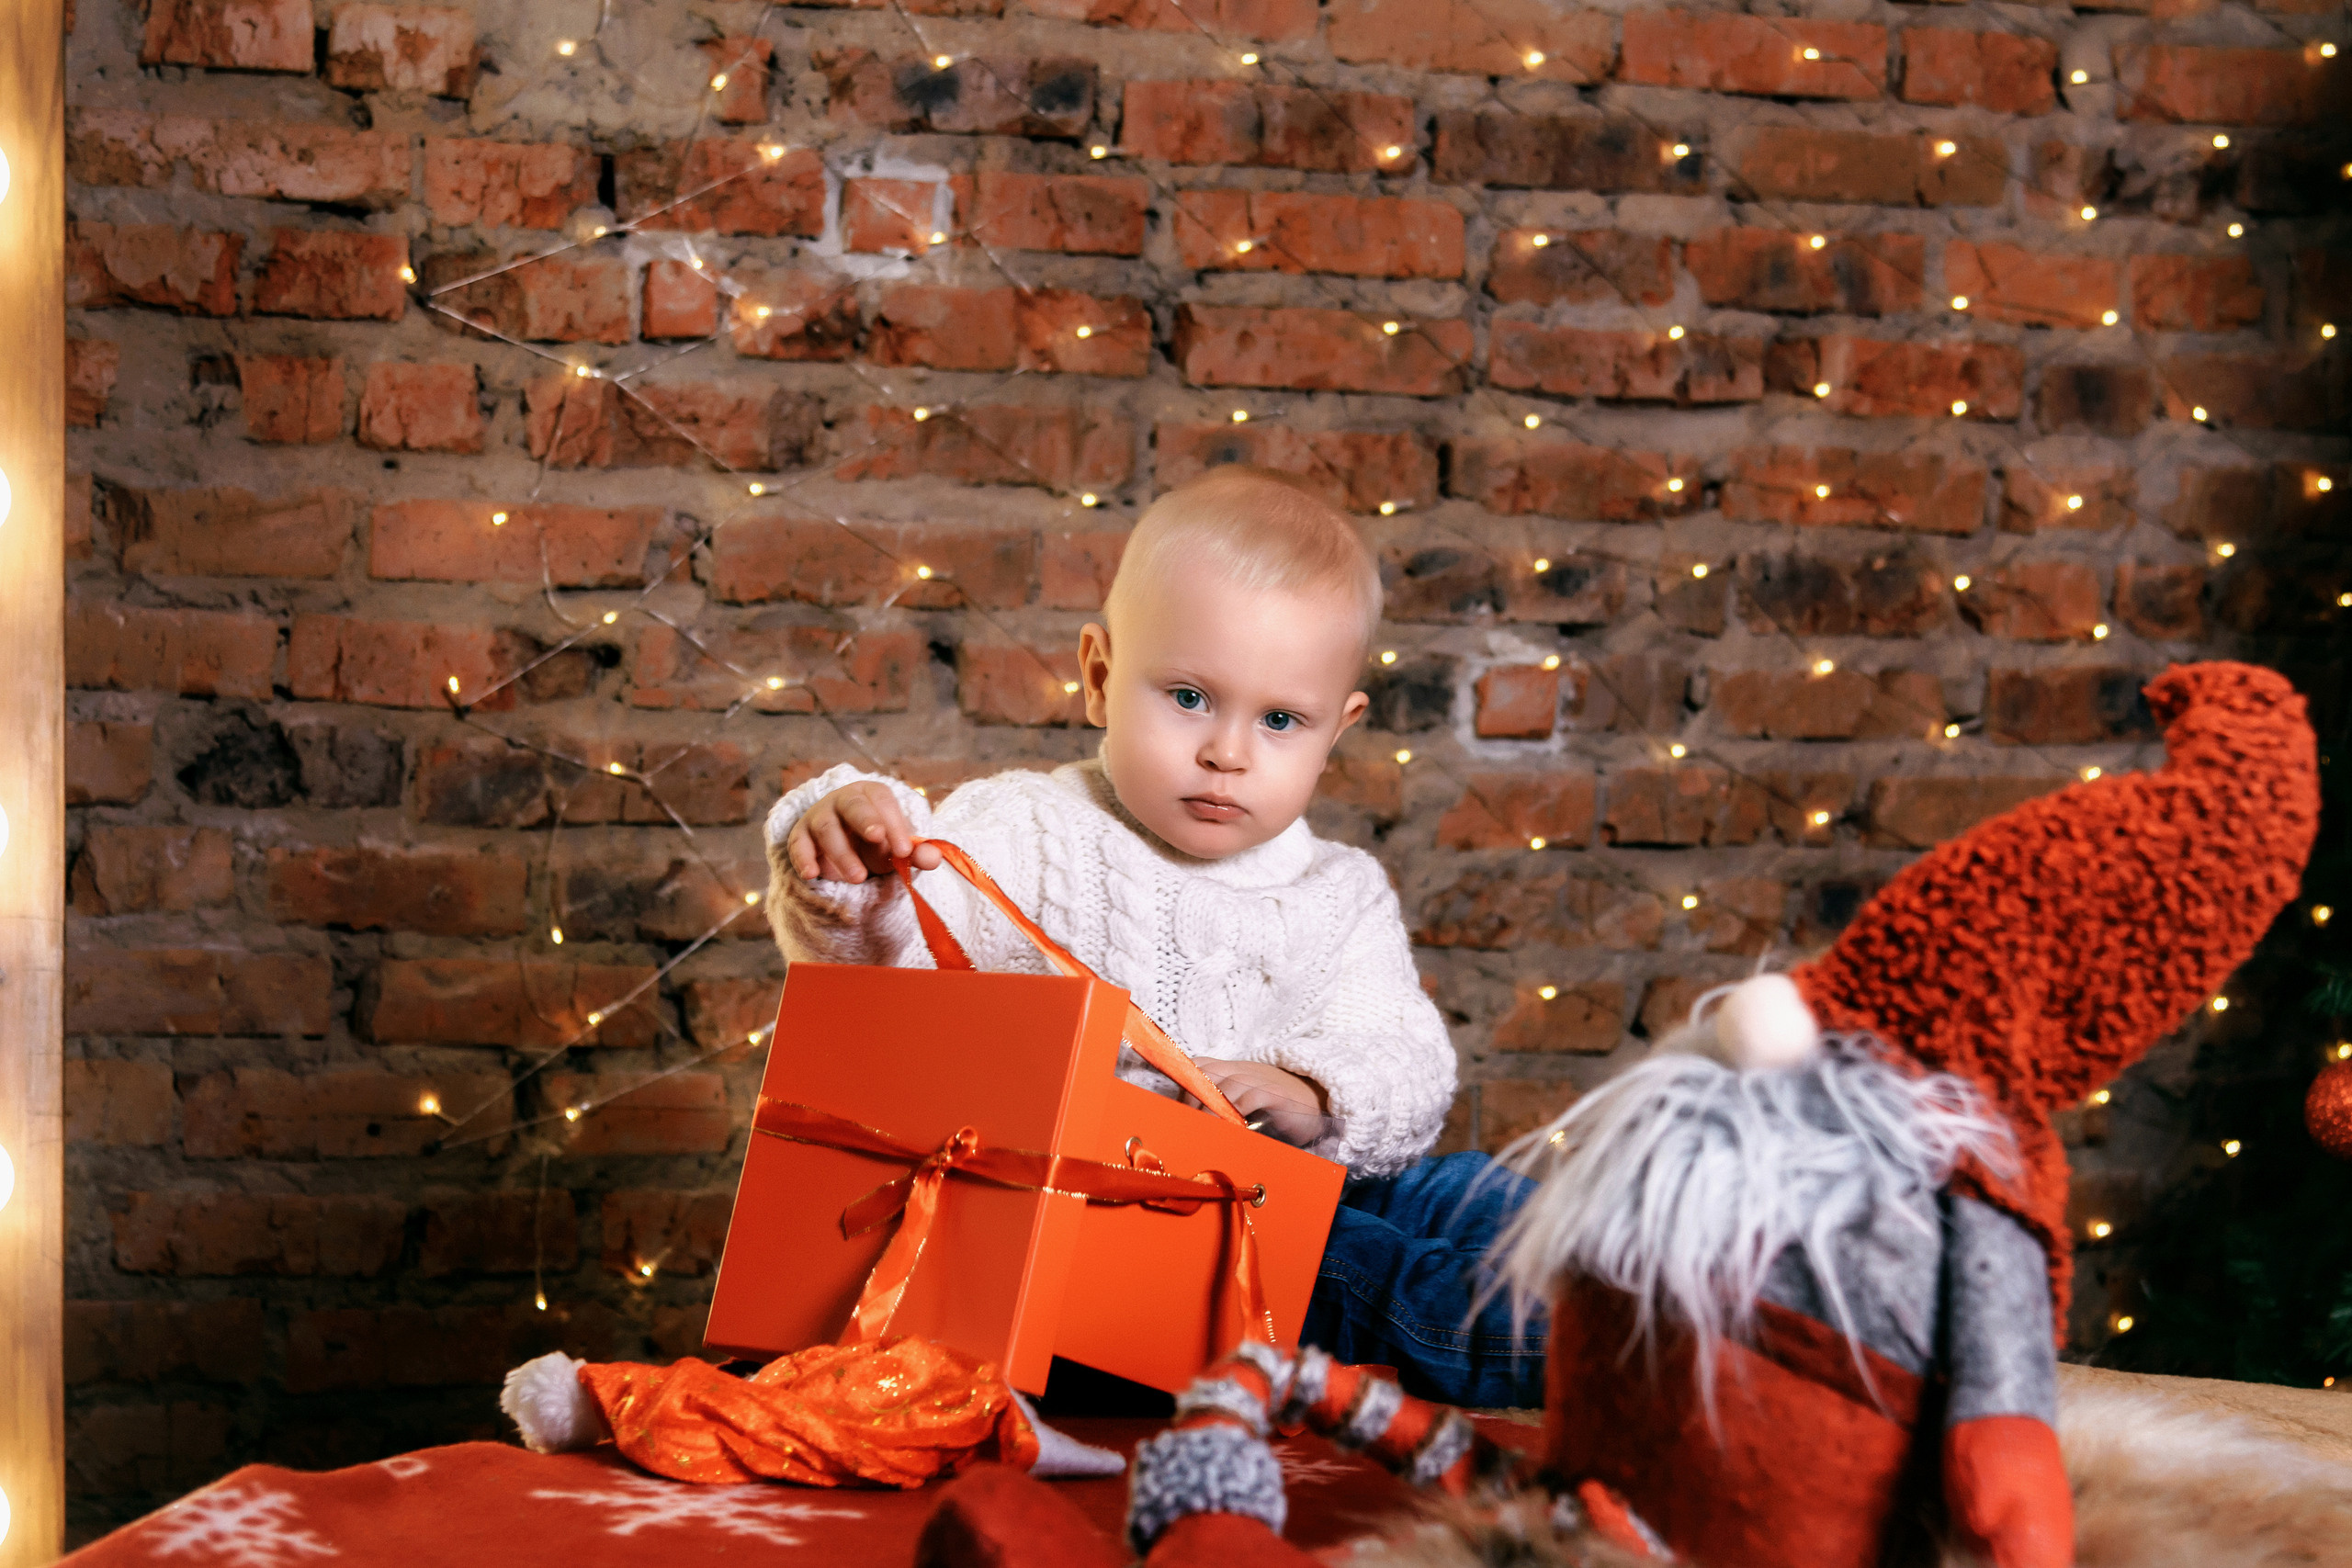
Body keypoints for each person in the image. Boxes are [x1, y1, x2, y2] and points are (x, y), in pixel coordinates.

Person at [764, 466, 1544, 1406]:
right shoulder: (1024, 830)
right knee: (1366, 1268)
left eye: (1281, 719)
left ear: (1335, 733)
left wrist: (1311, 1088)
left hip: (1292, 1190)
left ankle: (1664, 1271)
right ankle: (1624, 1348)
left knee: (1470, 1196)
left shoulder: (1337, 892)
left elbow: (1411, 1066)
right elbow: (886, 976)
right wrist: (851, 865)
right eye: (1187, 697)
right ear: (1098, 676)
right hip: (1101, 1248)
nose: (1227, 751)